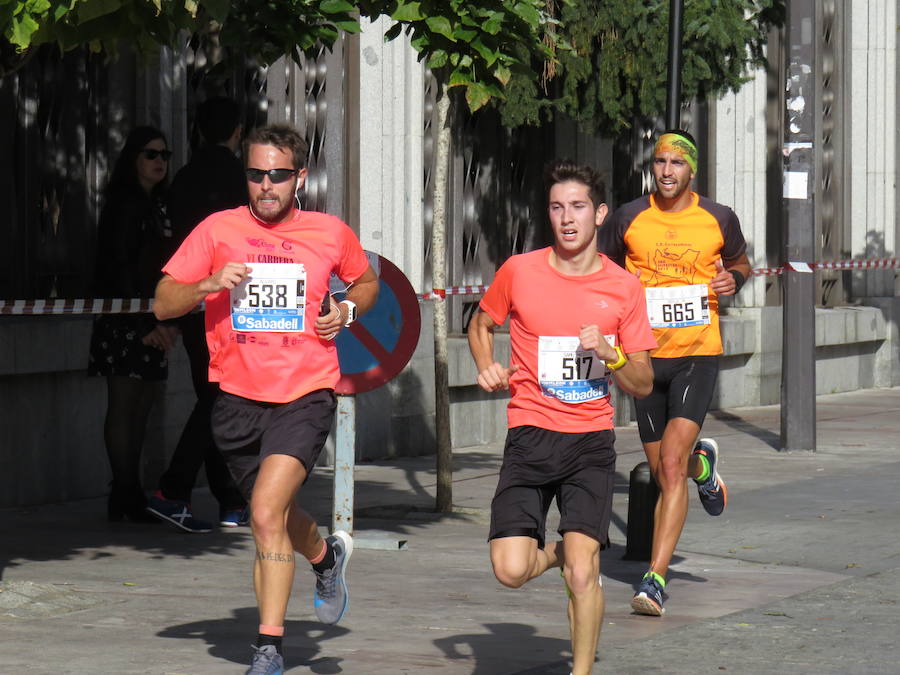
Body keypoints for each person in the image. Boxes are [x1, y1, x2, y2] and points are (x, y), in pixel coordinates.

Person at [153, 123, 378, 675]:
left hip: (305, 392)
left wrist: (346, 311)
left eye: (278, 174)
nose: (266, 185)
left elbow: (367, 283)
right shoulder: (216, 230)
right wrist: (207, 284)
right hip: (235, 398)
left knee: (261, 513)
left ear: (299, 176)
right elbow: (162, 303)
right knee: (275, 516)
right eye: (256, 174)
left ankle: (269, 648)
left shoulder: (328, 232)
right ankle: (326, 558)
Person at [467, 160, 656, 675]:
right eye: (557, 207)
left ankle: (581, 669)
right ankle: (564, 550)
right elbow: (480, 324)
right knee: (510, 570)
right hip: (528, 436)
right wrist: (486, 366)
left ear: (598, 214)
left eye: (577, 207)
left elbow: (642, 382)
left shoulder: (624, 288)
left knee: (583, 574)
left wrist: (613, 355)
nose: (567, 218)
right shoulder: (519, 271)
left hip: (589, 443)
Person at [598, 129, 751, 616]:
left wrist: (734, 279)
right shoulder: (628, 216)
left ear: (692, 170)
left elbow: (742, 262)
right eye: (660, 162)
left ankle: (655, 580)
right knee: (668, 472)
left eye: (676, 164)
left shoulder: (718, 218)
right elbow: (603, 270)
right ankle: (702, 467)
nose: (666, 171)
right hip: (641, 360)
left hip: (695, 353)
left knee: (668, 467)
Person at [146, 96, 249, 533]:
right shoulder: (242, 182)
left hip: (188, 301)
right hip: (230, 307)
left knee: (212, 397)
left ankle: (227, 498)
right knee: (217, 400)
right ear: (237, 133)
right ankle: (174, 489)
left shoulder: (184, 177)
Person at [88, 126, 178, 523]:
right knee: (123, 405)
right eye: (150, 154)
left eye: (164, 154)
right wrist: (144, 323)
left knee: (142, 406)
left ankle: (131, 491)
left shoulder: (157, 204)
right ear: (133, 160)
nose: (159, 161)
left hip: (154, 316)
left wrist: (168, 319)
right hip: (126, 319)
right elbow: (116, 266)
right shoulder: (124, 204)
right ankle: (123, 492)